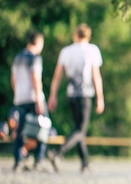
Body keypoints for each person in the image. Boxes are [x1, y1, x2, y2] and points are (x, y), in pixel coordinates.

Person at [47, 23, 105, 174]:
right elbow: (96, 76)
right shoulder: (92, 50)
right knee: (80, 130)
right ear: (88, 36)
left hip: (71, 94)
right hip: (85, 94)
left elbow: (57, 76)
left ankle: (85, 162)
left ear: (75, 35)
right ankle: (57, 152)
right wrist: (100, 97)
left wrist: (53, 96)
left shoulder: (66, 51)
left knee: (78, 129)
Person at [10, 30, 49, 172]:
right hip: (33, 97)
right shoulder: (35, 58)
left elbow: (13, 79)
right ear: (38, 42)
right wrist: (39, 99)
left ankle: (18, 160)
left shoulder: (18, 58)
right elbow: (35, 79)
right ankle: (39, 159)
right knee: (43, 127)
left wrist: (17, 93)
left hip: (20, 98)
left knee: (20, 130)